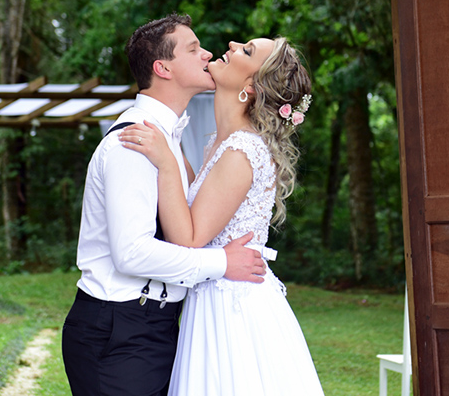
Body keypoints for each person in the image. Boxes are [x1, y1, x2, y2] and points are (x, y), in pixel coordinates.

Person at [61, 14, 267, 396]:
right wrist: (222, 263)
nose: (207, 53)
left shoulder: (169, 138)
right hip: (118, 331)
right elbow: (132, 254)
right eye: (193, 49)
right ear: (163, 68)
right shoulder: (135, 141)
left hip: (156, 325)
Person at [119, 36, 324, 396]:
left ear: (250, 87)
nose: (231, 44)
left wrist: (167, 162)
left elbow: (190, 238)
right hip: (216, 295)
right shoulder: (224, 142)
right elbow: (204, 206)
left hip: (232, 311)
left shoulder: (242, 150)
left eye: (246, 51)